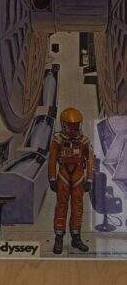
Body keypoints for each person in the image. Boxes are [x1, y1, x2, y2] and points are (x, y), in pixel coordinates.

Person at [48, 107, 93, 254]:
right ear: (63, 124)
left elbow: (91, 160)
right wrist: (52, 178)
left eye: (75, 125)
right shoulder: (58, 140)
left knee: (78, 206)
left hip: (79, 176)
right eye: (69, 125)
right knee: (61, 205)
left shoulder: (85, 141)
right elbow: (52, 159)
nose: (72, 128)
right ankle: (59, 238)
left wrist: (90, 179)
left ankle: (76, 237)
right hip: (63, 176)